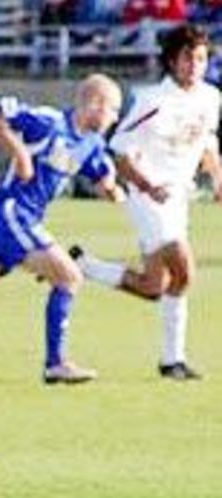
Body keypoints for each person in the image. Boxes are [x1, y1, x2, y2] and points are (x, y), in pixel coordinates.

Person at [0, 73, 126, 385]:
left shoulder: (91, 144)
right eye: (113, 109)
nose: (115, 117)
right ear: (95, 103)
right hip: (13, 213)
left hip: (20, 221)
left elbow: (105, 183)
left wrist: (116, 191)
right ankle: (55, 364)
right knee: (69, 276)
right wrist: (20, 152)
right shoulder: (49, 122)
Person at [70, 24, 222, 380]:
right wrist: (147, 185)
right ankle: (173, 361)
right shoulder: (153, 101)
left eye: (201, 58)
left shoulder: (211, 97)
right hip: (148, 198)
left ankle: (86, 266)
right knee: (185, 270)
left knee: (155, 286)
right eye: (188, 57)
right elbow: (118, 147)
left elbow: (208, 142)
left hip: (179, 197)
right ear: (172, 60)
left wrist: (217, 178)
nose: (195, 65)